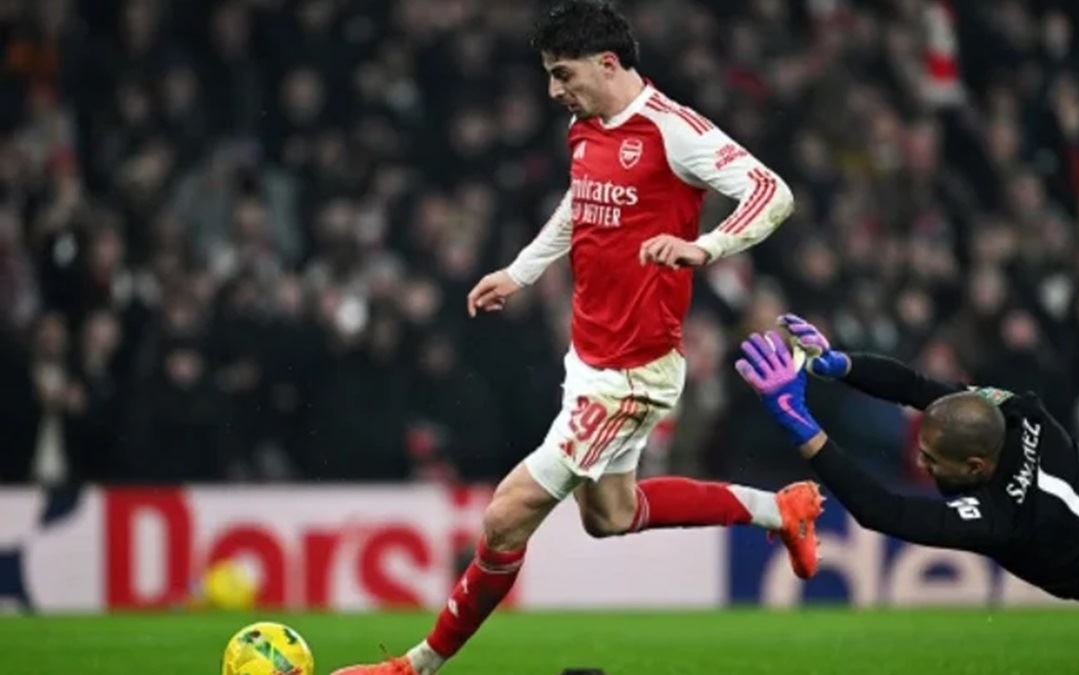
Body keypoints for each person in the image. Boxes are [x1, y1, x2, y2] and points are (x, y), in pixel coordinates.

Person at [333, 3, 816, 674]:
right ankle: (781, 508)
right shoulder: (584, 127)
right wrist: (521, 272)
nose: (553, 90)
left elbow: (771, 191)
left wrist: (705, 247)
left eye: (562, 74)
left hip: (633, 371)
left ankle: (414, 666)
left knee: (505, 517)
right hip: (590, 359)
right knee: (610, 515)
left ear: (607, 64)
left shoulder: (673, 130)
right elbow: (578, 204)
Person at [734, 314, 1079, 631]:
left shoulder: (1003, 519)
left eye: (934, 460)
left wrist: (799, 423)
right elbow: (919, 388)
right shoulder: (1025, 413)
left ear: (976, 466)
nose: (922, 464)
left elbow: (883, 511)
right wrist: (839, 364)